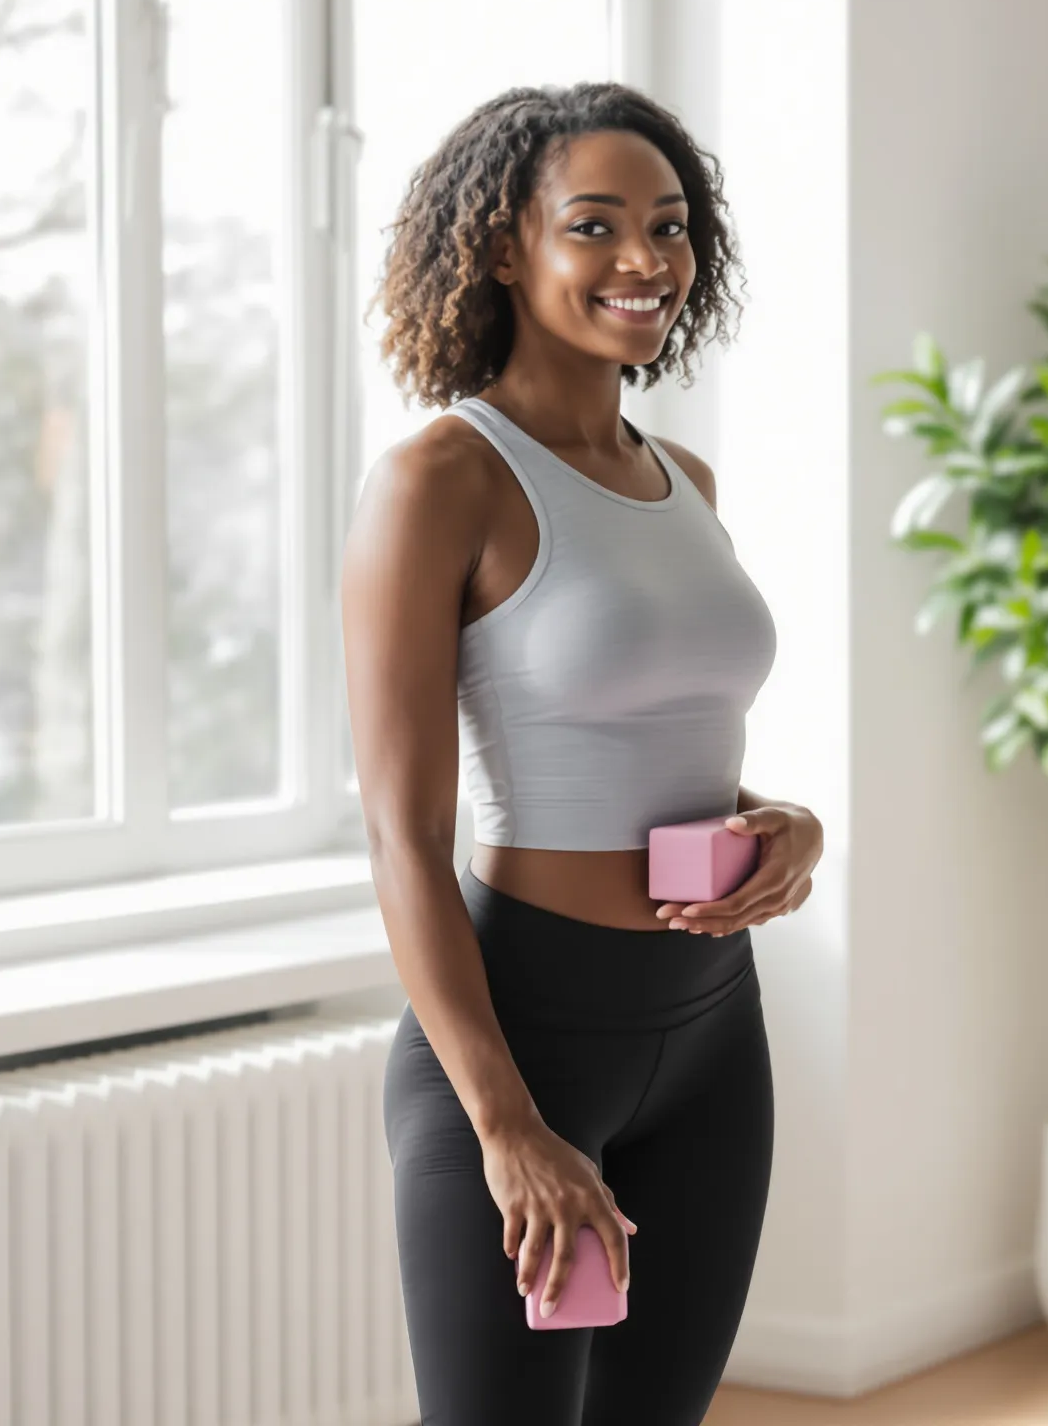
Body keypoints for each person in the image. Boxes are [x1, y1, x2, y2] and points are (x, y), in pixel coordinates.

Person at [341, 81, 818, 1423]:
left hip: (714, 1031)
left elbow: (670, 749)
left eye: (667, 227)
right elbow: (399, 835)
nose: (643, 261)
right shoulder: (444, 477)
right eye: (595, 226)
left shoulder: (686, 484)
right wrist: (504, 1126)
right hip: (522, 1032)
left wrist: (788, 827)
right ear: (506, 246)